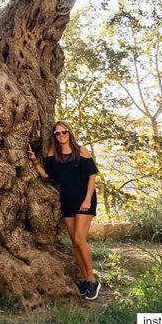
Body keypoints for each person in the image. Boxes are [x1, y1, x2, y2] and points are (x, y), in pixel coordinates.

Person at [28, 120, 101, 300]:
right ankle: (85, 280)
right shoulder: (54, 155)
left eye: (64, 132)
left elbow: (92, 178)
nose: (61, 135)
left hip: (84, 201)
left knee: (79, 239)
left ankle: (92, 280)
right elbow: (46, 176)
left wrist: (86, 200)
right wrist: (34, 160)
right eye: (57, 133)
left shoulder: (81, 151)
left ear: (70, 132)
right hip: (67, 201)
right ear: (54, 136)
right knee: (74, 242)